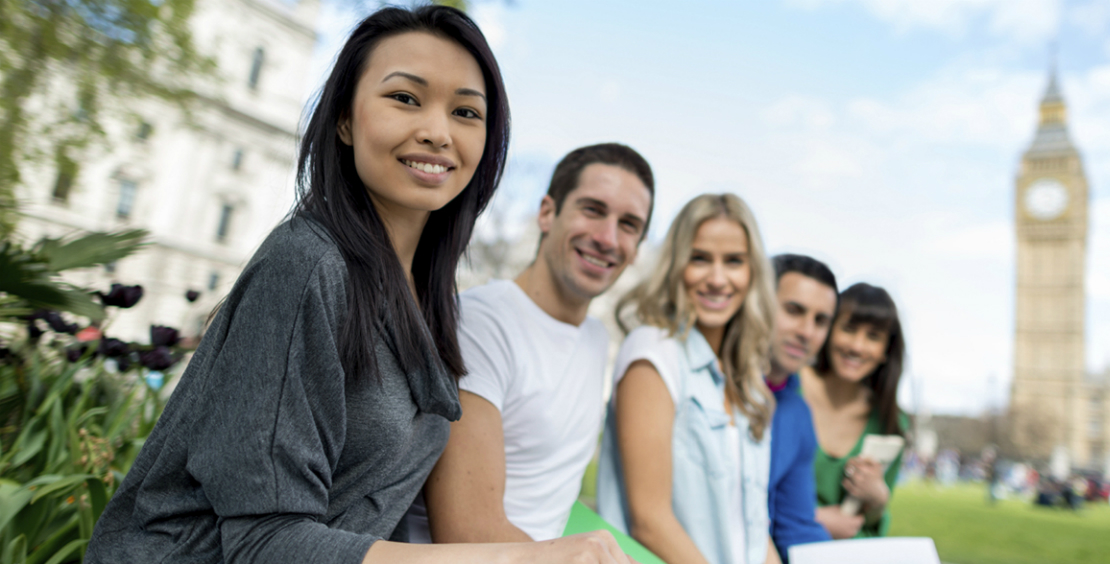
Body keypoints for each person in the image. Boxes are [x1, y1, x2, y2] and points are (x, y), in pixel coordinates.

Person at [85, 6, 631, 564]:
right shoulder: (307, 262)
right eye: (405, 98)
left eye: (466, 111)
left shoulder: (424, 296)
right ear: (345, 119)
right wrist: (525, 558)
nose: (438, 132)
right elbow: (262, 540)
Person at [410, 144, 654, 542]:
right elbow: (469, 535)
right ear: (547, 213)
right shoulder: (480, 322)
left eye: (628, 224)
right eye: (592, 210)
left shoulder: (595, 338)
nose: (607, 238)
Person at [597, 193, 783, 564]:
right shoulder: (652, 351)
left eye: (734, 261)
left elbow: (750, 525)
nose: (717, 278)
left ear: (752, 272)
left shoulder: (744, 377)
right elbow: (649, 521)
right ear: (676, 265)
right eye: (700, 259)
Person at [800, 283, 910, 539]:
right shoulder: (790, 389)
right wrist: (813, 519)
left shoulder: (890, 421)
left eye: (873, 337)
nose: (857, 347)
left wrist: (878, 499)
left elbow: (870, 524)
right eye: (849, 329)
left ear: (886, 351)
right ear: (828, 331)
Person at [764, 255, 838, 563]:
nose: (807, 331)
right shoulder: (713, 384)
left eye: (821, 321)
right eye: (794, 310)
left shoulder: (797, 412)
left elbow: (796, 526)